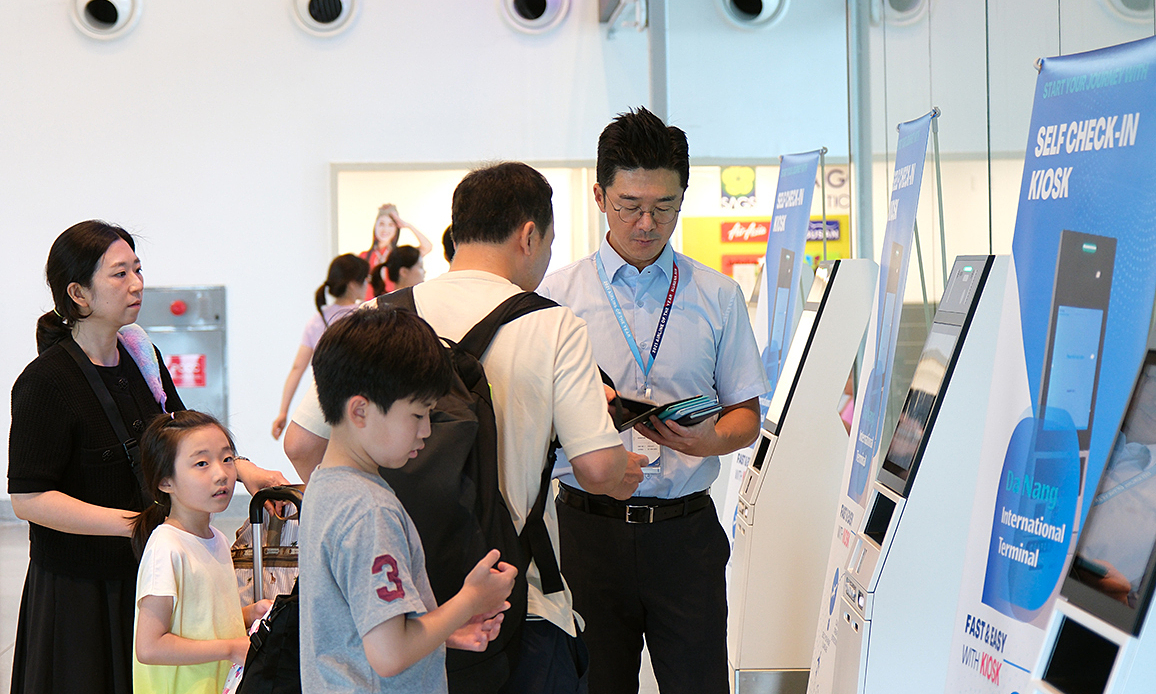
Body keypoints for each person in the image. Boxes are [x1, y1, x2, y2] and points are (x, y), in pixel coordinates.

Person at [285, 162, 645, 694]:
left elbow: (301, 445)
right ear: (529, 235)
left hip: (398, 615)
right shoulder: (553, 324)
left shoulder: (376, 317)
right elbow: (595, 467)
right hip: (514, 601)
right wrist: (623, 472)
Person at [537, 107, 771, 694]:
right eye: (630, 205)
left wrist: (711, 437)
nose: (647, 222)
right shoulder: (555, 297)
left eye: (664, 207)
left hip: (684, 535)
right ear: (599, 195)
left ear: (682, 198)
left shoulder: (716, 295)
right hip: (585, 534)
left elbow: (747, 414)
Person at [7, 220, 288, 694]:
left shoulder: (141, 355)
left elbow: (181, 436)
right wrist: (134, 523)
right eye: (120, 274)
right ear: (78, 292)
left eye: (138, 269)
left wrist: (245, 472)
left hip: (147, 569)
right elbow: (29, 498)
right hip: (82, 589)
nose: (137, 283)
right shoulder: (44, 382)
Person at [300, 306, 516, 693]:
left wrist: (443, 629)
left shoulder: (325, 484)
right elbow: (390, 655)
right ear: (360, 410)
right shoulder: (368, 509)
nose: (427, 431)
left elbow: (361, 629)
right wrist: (471, 599)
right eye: (417, 415)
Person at [131, 410, 273, 694]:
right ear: (165, 482)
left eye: (227, 458)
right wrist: (232, 648)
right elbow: (149, 647)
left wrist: (246, 614)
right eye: (201, 463)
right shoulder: (166, 547)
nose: (221, 473)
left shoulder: (217, 539)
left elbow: (202, 621)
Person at [271, 253, 369, 439]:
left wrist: (283, 412)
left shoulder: (317, 321)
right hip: (361, 406)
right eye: (364, 280)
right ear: (352, 284)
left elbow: (297, 368)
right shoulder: (366, 314)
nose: (367, 285)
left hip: (324, 406)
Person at [360, 203, 434, 300]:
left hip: (394, 305)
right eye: (381, 224)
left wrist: (408, 225)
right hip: (370, 309)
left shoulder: (399, 255)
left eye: (391, 225)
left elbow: (427, 247)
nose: (385, 229)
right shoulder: (365, 256)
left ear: (396, 229)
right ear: (375, 226)